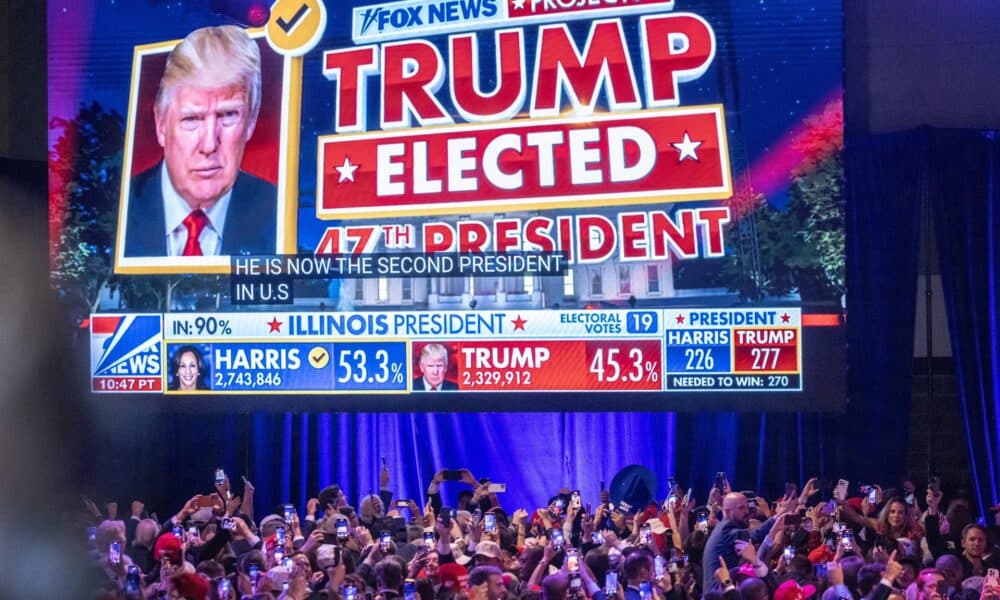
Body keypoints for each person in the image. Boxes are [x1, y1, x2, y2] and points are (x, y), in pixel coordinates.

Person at [123, 25, 277, 258]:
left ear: (251, 121)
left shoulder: (279, 212)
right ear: (161, 124)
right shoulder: (117, 209)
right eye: (191, 119)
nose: (208, 145)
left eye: (227, 115)